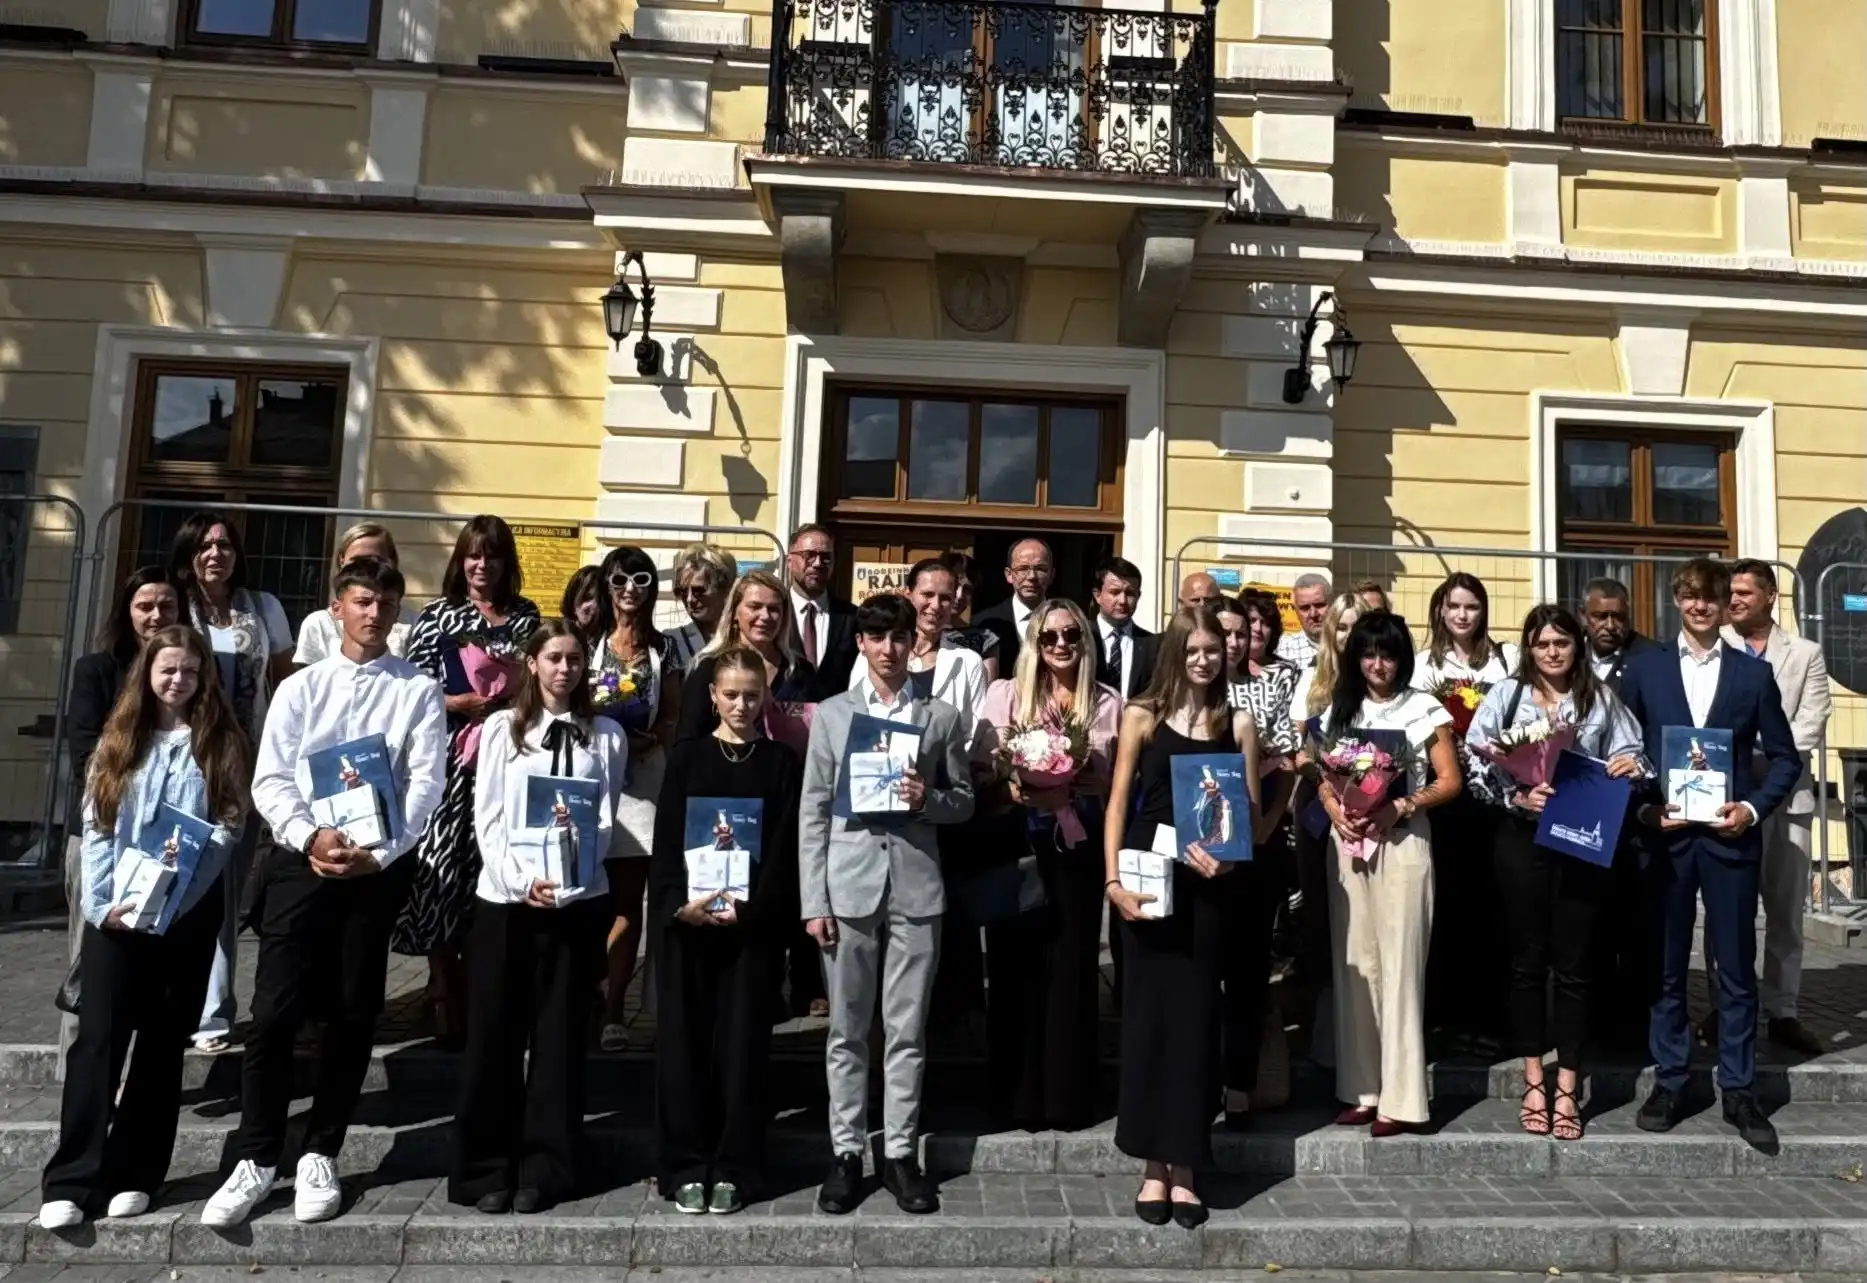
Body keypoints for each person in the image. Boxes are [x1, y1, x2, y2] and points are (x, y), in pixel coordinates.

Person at [202, 556, 447, 1227]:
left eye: (387, 603)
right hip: (299, 861)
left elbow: (426, 784)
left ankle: (322, 1149)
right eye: (364, 600)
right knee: (274, 1012)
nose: (375, 613)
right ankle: (255, 1155)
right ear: (337, 607)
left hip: (374, 868)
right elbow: (271, 776)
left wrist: (381, 851)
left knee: (351, 1011)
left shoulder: (417, 689)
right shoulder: (303, 687)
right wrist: (310, 835)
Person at [38, 626, 249, 1230]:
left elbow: (227, 828)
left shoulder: (219, 743)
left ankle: (136, 1175)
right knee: (98, 1042)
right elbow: (98, 822)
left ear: (202, 676)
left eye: (188, 671)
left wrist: (176, 900)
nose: (178, 680)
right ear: (148, 675)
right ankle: (72, 1178)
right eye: (167, 670)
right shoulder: (120, 736)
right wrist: (105, 903)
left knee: (160, 1046)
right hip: (117, 916)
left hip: (185, 914)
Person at [800, 593, 975, 1216]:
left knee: (906, 1031)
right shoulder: (832, 715)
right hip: (848, 886)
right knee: (847, 1030)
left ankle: (900, 1153)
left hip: (916, 887)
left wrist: (930, 798)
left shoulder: (941, 717)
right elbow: (813, 810)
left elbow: (965, 802)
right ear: (863, 645)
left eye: (899, 638)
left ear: (913, 644)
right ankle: (846, 1152)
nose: (889, 649)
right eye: (877, 638)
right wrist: (812, 898)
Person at [1621, 557, 1801, 1155]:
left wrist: (1750, 810)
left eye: (1712, 597)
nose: (1700, 606)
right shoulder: (1643, 669)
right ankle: (1671, 1082)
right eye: (1691, 596)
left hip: (1729, 838)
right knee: (1667, 967)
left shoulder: (1752, 676)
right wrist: (1645, 812)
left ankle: (1740, 1088)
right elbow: (1622, 752)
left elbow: (1784, 757)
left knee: (1735, 967)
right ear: (1677, 599)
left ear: (1729, 604)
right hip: (1666, 839)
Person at [451, 620, 626, 1214]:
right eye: (553, 657)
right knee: (496, 1034)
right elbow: (488, 820)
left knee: (560, 1038)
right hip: (506, 902)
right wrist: (522, 882)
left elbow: (603, 820)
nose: (564, 669)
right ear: (532, 663)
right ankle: (485, 1167)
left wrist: (571, 880)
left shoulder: (605, 736)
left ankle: (547, 1166)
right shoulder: (503, 729)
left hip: (576, 902)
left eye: (575, 658)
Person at [1103, 606, 1264, 1226]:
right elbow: (1118, 804)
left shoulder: (1240, 721)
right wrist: (1112, 881)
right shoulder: (1142, 715)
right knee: (1149, 1020)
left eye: (1214, 649)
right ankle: (1151, 1165)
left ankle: (1187, 1164)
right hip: (1149, 879)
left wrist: (1230, 861)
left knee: (1198, 1022)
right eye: (1193, 649)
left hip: (1209, 886)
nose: (1204, 659)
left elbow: (1247, 810)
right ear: (1176, 652)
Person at [1465, 606, 1644, 1140]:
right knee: (1526, 960)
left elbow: (1637, 757)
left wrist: (1630, 766)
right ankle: (1532, 1079)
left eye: (1561, 643)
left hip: (1581, 839)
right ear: (1528, 647)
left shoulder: (1600, 699)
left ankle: (1569, 1079)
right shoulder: (1507, 695)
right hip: (1522, 838)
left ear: (1577, 645)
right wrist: (1516, 792)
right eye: (1541, 643)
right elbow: (1476, 760)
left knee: (1575, 963)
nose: (1551, 652)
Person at [650, 646, 803, 1213]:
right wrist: (675, 906)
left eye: (752, 694)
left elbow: (786, 851)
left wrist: (755, 911)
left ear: (766, 697)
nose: (741, 704)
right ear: (712, 695)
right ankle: (685, 1164)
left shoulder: (781, 762)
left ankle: (737, 1164)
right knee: (684, 1046)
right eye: (731, 694)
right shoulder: (686, 758)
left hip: (750, 928)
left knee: (743, 1050)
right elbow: (666, 844)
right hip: (687, 926)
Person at [972, 599, 1121, 1132]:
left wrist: (1088, 781)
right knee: (1015, 971)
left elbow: (1120, 783)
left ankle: (1067, 1097)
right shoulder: (1003, 695)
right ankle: (1016, 1097)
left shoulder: (1107, 703)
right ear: (1033, 642)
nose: (1061, 645)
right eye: (1050, 636)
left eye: (1072, 636)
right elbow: (983, 768)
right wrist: (1013, 781)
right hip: (1019, 844)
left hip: (1077, 851)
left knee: (1071, 969)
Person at [1314, 611, 1461, 1137]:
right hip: (1349, 842)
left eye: (1388, 654)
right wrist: (1332, 804)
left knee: (1400, 967)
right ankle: (1361, 1089)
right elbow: (1322, 773)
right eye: (1369, 654)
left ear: (1403, 658)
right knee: (1356, 962)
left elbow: (1450, 781)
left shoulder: (1423, 707)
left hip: (1402, 842)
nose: (1378, 665)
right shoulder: (1341, 707)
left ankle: (1402, 1097)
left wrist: (1401, 806)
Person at [395, 516, 541, 1045]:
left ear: (507, 564)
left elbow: (541, 680)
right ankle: (440, 986)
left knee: (497, 862)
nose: (482, 566)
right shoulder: (437, 616)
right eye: (474, 556)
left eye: (493, 556)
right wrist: (458, 701)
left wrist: (510, 700)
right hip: (450, 761)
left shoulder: (525, 617)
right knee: (443, 865)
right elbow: (412, 689)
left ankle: (489, 985)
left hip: (508, 759)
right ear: (460, 560)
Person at [168, 510, 293, 1054]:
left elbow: (285, 683)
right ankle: (168, 1003)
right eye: (205, 545)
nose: (216, 554)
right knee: (174, 886)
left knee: (224, 893)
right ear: (189, 553)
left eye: (225, 545)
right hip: (185, 765)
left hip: (245, 766)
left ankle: (213, 1013)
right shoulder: (175, 608)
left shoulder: (262, 608)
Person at [679, 569, 824, 1019]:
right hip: (728, 800)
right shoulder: (711, 667)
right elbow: (688, 741)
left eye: (775, 609)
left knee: (786, 886)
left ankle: (799, 986)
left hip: (787, 791)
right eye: (755, 606)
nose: (765, 616)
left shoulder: (801, 670)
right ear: (735, 612)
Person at [59, 568, 181, 1066]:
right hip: (102, 834)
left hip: (168, 841)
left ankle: (130, 1073)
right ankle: (78, 1073)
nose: (155, 615)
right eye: (144, 605)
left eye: (167, 606)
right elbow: (85, 750)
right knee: (88, 959)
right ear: (126, 611)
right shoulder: (96, 670)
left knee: (150, 964)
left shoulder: (187, 670)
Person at [1721, 560, 1832, 1055]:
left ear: (1770, 595)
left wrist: (1772, 756)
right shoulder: (1716, 646)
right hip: (1730, 798)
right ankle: (1728, 1003)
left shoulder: (1805, 653)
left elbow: (1813, 717)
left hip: (1786, 799)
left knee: (1785, 911)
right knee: (1732, 909)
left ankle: (1782, 1010)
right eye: (1731, 592)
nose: (1735, 599)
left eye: (1745, 591)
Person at [1412, 572, 1520, 1042]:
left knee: (1491, 906)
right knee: (1445, 905)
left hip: (1495, 793)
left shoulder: (1504, 661)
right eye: (1453, 606)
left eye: (1471, 607)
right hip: (1442, 792)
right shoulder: (1423, 666)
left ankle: (1486, 1019)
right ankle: (1441, 1014)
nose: (1462, 615)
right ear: (1439, 610)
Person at [588, 544, 683, 1053]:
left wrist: (650, 737)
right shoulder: (586, 641)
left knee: (628, 902)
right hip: (590, 780)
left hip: (643, 783)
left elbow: (673, 712)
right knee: (585, 897)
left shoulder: (664, 649)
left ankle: (614, 1007)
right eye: (621, 579)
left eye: (641, 580)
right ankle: (582, 991)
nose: (630, 590)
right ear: (606, 585)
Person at [1217, 592, 1301, 1126]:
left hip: (1256, 851)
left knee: (1248, 972)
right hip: (1197, 856)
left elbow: (1290, 759)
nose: (1232, 642)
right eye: (1223, 633)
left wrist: (1265, 828)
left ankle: (1240, 1084)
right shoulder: (1179, 693)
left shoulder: (1266, 690)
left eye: (1240, 634)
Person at [865, 559, 987, 743]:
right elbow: (859, 714)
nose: (936, 605)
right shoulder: (874, 654)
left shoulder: (968, 662)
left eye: (945, 598)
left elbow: (975, 731)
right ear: (908, 595)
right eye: (927, 594)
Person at [293, 523, 415, 665]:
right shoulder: (319, 624)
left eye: (376, 561)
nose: (367, 569)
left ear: (392, 562)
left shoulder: (414, 623)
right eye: (357, 562)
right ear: (341, 560)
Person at [787, 525, 858, 697]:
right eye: (809, 555)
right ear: (789, 561)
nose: (818, 563)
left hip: (835, 721)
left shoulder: (852, 617)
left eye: (826, 557)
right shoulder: (773, 613)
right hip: (781, 720)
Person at [973, 538, 1055, 676]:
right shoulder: (983, 624)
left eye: (1040, 569)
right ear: (1009, 575)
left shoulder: (1069, 623)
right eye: (1022, 569)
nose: (1031, 576)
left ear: (1052, 575)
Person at [1092, 555, 1157, 699]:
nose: (1122, 601)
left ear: (1138, 596)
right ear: (1097, 595)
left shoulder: (1152, 644)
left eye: (1130, 593)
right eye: (1114, 592)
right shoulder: (1081, 637)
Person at [1580, 577, 1658, 691]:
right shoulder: (1570, 653)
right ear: (1583, 616)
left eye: (1618, 617)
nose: (1610, 626)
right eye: (1601, 616)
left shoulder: (1651, 658)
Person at [668, 543, 739, 670]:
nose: (689, 600)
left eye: (699, 591)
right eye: (682, 591)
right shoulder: (672, 642)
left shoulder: (744, 637)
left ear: (725, 588)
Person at [939, 550, 1003, 679]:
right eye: (954, 586)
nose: (959, 596)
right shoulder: (912, 635)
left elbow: (988, 692)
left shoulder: (984, 639)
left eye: (967, 589)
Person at [1278, 573, 1332, 668]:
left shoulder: (1348, 644)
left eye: (1319, 605)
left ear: (1333, 604)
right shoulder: (1283, 649)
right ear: (1296, 611)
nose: (1313, 614)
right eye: (1305, 608)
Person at [560, 566, 604, 652]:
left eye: (600, 598)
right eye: (587, 598)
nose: (595, 605)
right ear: (572, 602)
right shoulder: (557, 639)